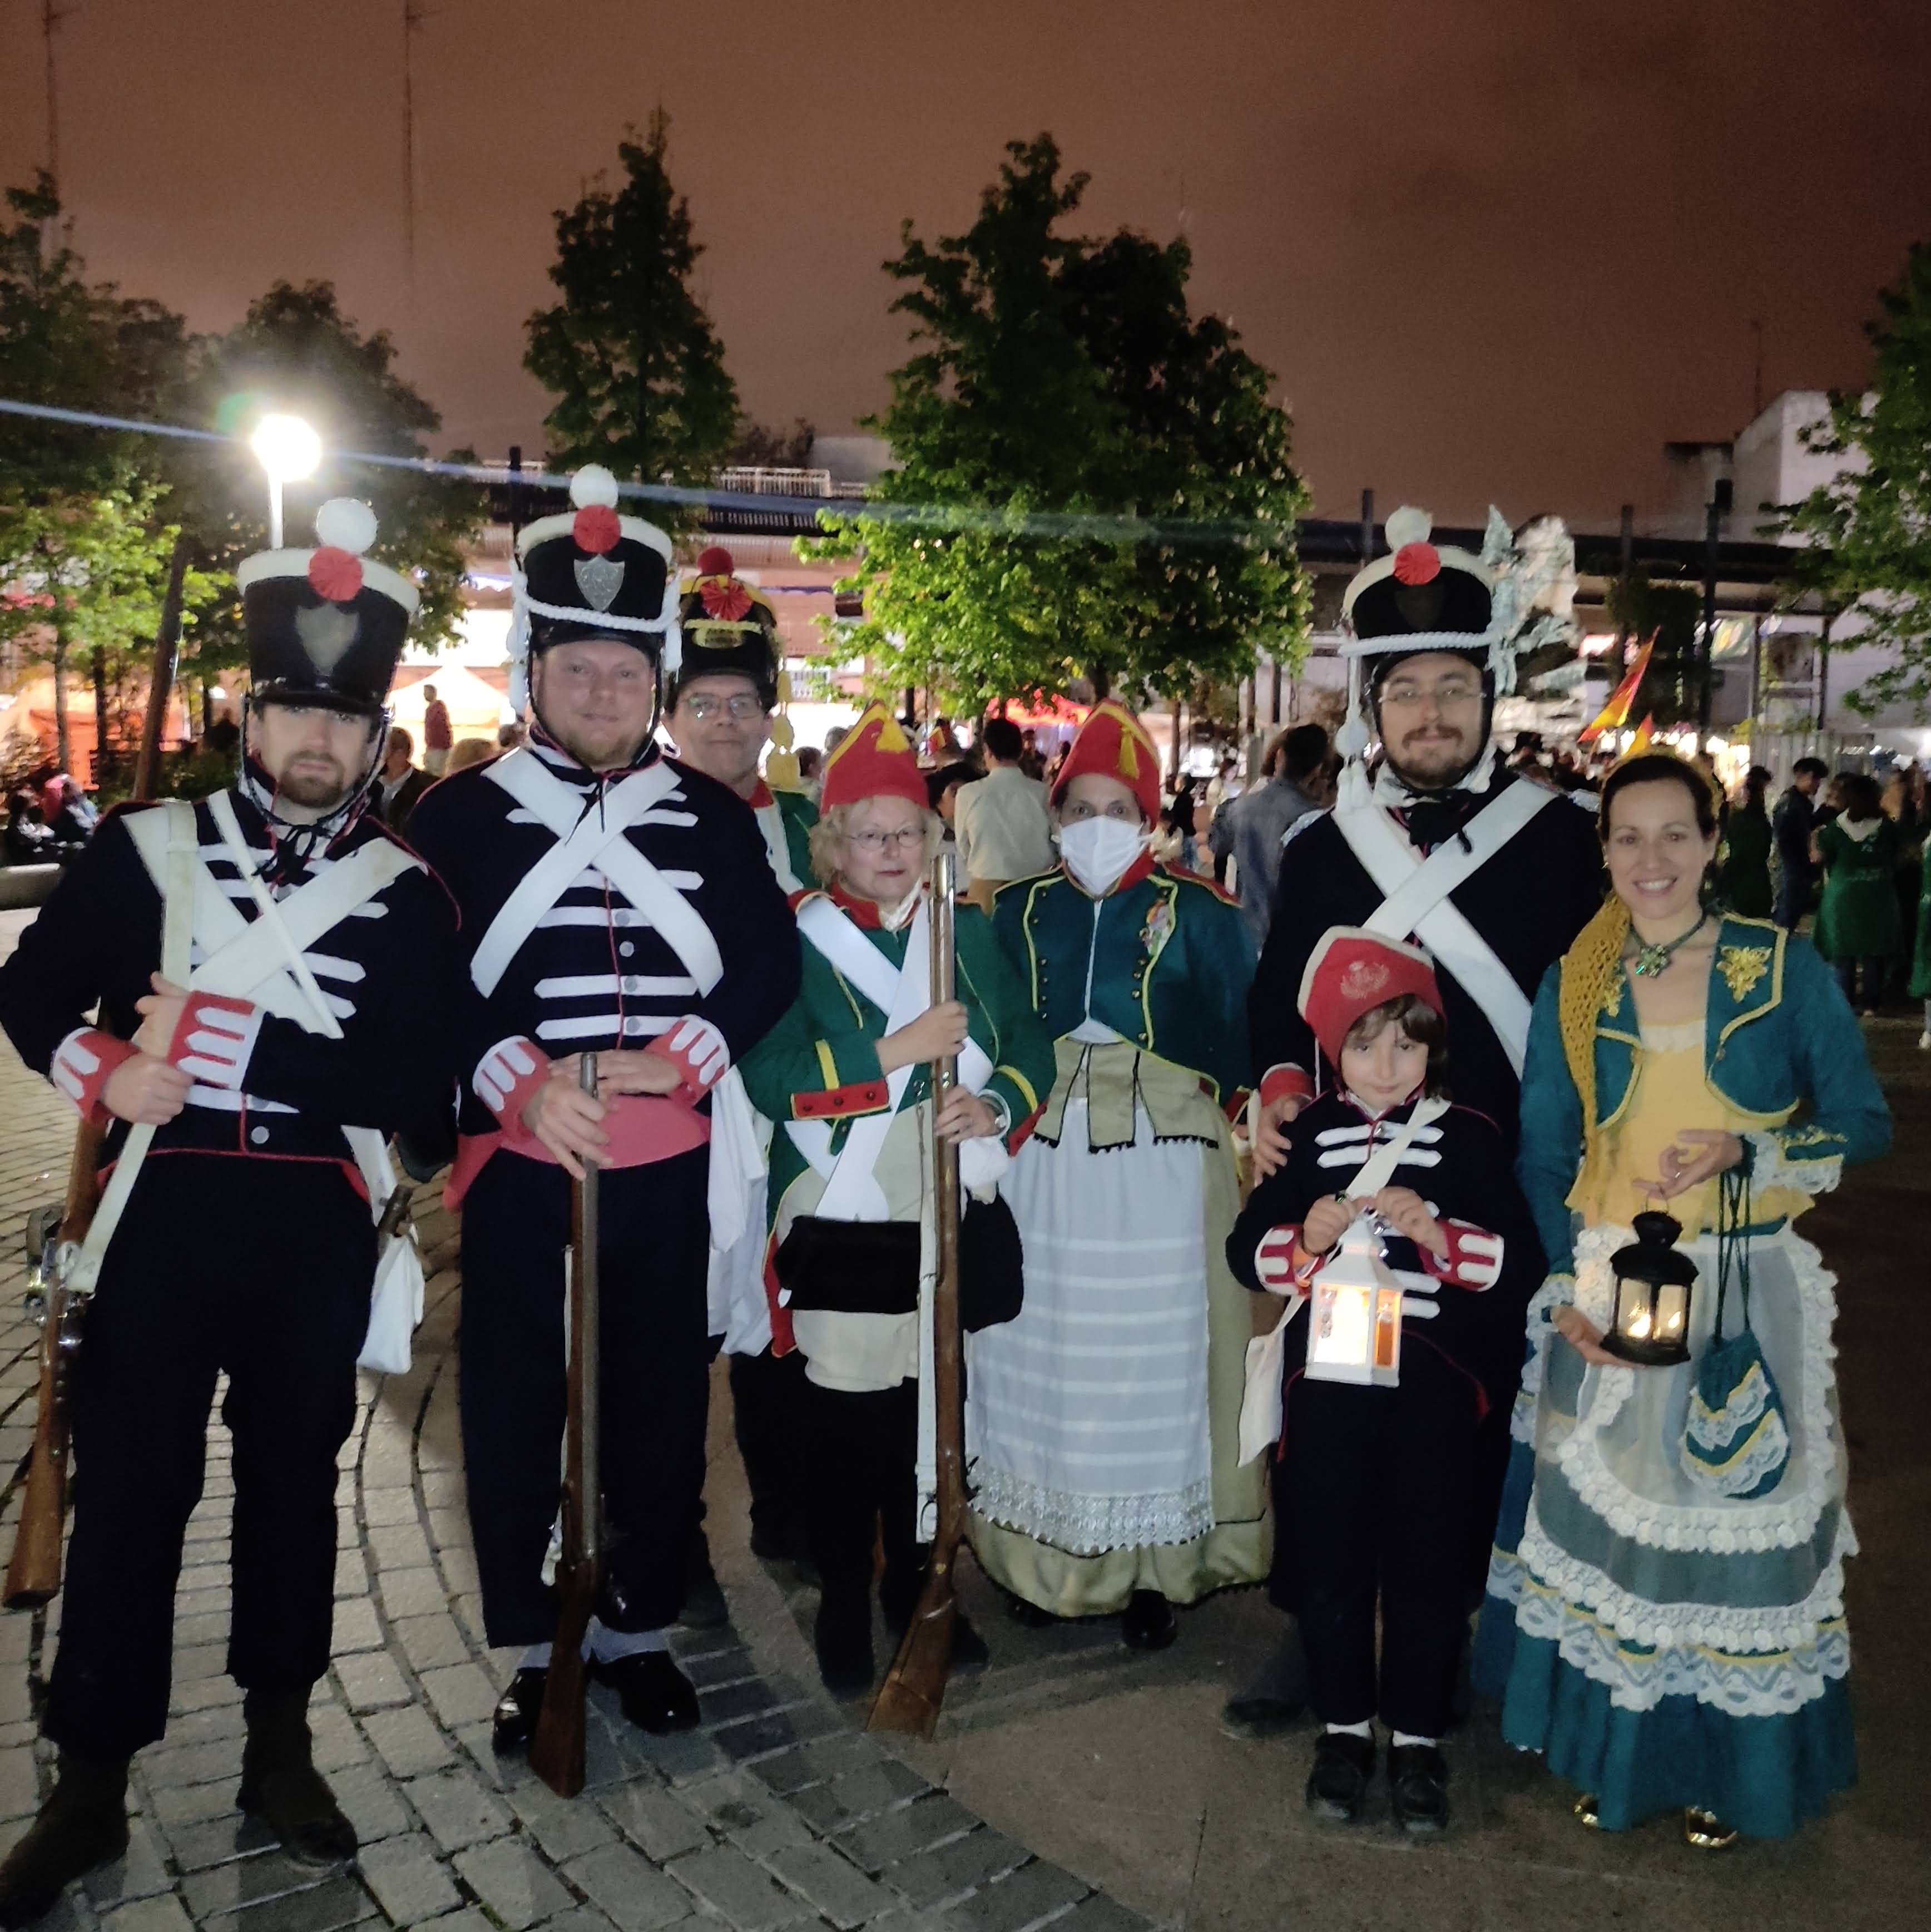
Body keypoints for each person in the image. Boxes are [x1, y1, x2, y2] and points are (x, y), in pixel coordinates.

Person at [0, 500, 460, 1914]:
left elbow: (422, 1096)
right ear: (251, 723)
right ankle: (88, 1784)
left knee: (290, 1496)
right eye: (293, 714)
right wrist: (105, 1068)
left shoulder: (407, 894)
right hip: (158, 1211)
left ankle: (278, 1744)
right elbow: (25, 998)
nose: (318, 744)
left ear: (377, 745)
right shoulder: (144, 850)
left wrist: (264, 1052)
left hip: (312, 1228)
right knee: (133, 1490)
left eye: (346, 723)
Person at [405, 467, 800, 1752]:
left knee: (654, 1408)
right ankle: (531, 1645)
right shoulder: (457, 815)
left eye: (627, 675)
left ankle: (632, 1630)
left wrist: (686, 1051)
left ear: (658, 680)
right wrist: (514, 1074)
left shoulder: (704, 815)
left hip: (664, 1159)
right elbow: (415, 980)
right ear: (530, 676)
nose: (603, 693)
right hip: (520, 1162)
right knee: (513, 1405)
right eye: (576, 671)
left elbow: (762, 964)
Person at [1234, 504, 1602, 1740]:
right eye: (1406, 691)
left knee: (1465, 1417)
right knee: (1329, 1423)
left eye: (1454, 685)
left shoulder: (1564, 842)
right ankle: (1317, 1623)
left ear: (1489, 696)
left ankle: (1446, 1647)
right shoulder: (1322, 844)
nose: (1430, 713)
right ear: (1371, 708)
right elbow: (1279, 999)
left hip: (1492, 1188)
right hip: (1349, 1208)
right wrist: (1283, 1089)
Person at [1476, 752, 1888, 1845]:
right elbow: (1542, 1145)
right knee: (1622, 1543)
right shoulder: (1579, 974)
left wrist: (1751, 1142)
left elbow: (1860, 1116)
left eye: (1672, 834)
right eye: (1625, 836)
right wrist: (1561, 1285)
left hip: (1747, 1289)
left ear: (1713, 842)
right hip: (1612, 1284)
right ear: (1602, 848)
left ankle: (1726, 1774)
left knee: (1729, 1537)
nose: (1648, 857)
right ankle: (1623, 1759)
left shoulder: (1775, 964)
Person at [740, 706, 1054, 1691]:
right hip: (840, 1194)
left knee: (930, 1408)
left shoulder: (967, 929)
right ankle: (843, 1594)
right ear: (832, 840)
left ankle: (916, 1588)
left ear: (934, 837)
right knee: (848, 1419)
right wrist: (891, 1058)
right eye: (867, 832)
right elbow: (768, 1073)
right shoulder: (792, 935)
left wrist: (993, 1101)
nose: (889, 848)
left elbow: (1029, 1045)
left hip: (942, 1185)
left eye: (907, 831)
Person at [968, 701, 1269, 1648]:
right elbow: (991, 1028)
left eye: (1117, 806)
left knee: (1156, 1363)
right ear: (1054, 813)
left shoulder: (1203, 911)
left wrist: (1235, 1116)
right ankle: (1038, 1552)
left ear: (1148, 814)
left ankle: (1153, 1564)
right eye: (1080, 805)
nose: (1097, 823)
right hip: (1042, 1159)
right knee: (1041, 1355)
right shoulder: (1012, 909)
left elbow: (1240, 1037)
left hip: (1163, 1168)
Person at [1228, 931, 1541, 1832]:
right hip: (1326, 1390)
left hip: (1433, 1392)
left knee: (1425, 1567)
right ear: (1332, 1049)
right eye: (1362, 1043)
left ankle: (1415, 1740)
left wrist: (1441, 1237)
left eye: (1405, 1041)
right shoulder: (1309, 1137)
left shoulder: (1472, 1136)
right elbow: (1247, 1248)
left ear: (1431, 1045)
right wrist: (1305, 1241)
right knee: (1327, 1559)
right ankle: (1340, 1729)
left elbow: (1515, 1259)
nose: (1385, 1062)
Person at [665, 546, 819, 1593]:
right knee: (672, 1334)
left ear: (770, 712)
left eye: (742, 700)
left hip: (805, 1114)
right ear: (670, 712)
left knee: (788, 1327)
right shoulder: (629, 824)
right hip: (678, 1110)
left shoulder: (817, 829)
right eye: (703, 700)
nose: (726, 720)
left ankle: (790, 1512)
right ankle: (670, 1537)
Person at [1226, 723, 1329, 949]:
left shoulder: (1239, 807)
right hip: (1288, 942)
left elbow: (1218, 851)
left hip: (1242, 934)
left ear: (1279, 756)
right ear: (1318, 769)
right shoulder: (1314, 819)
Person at [1810, 770, 1900, 1015]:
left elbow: (1817, 858)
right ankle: (1871, 1003)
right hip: (1877, 894)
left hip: (1842, 895)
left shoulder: (1835, 828)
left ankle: (1844, 1002)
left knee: (1843, 952)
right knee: (1873, 952)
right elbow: (1897, 856)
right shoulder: (1887, 828)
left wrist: (1814, 839)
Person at [951, 717, 1054, 911]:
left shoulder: (969, 794)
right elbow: (1057, 842)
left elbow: (963, 846)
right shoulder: (1043, 793)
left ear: (987, 751)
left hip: (986, 892)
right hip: (1035, 892)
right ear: (1020, 751)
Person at [1771, 756, 1828, 929]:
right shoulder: (1791, 804)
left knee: (1791, 914)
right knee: (1787, 916)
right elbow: (1788, 838)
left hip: (1795, 867)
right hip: (1791, 867)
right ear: (1803, 776)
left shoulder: (1799, 802)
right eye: (1815, 779)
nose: (1817, 784)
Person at [1717, 764, 1774, 918]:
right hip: (1757, 880)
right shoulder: (1761, 821)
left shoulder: (1737, 818)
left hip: (1738, 880)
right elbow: (1764, 850)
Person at [374, 725, 431, 833]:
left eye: (382, 752)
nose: (376, 759)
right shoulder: (367, 786)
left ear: (400, 754)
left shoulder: (426, 788)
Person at [420, 682, 452, 775]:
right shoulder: (430, 709)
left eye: (426, 692)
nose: (424, 695)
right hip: (431, 748)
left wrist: (447, 746)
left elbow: (444, 728)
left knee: (437, 774)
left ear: (432, 693)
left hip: (439, 749)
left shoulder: (438, 709)